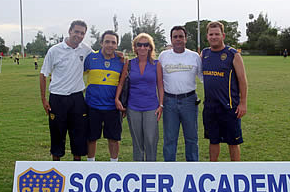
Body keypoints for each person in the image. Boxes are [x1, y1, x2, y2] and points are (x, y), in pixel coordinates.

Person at [39, 20, 92, 161]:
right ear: (70, 31)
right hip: (57, 98)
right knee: (57, 134)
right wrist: (44, 99)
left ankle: (76, 170)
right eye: (76, 32)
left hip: (77, 98)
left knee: (79, 135)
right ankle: (57, 169)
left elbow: (100, 57)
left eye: (82, 33)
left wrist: (116, 54)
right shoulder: (55, 50)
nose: (79, 36)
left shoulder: (85, 49)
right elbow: (43, 74)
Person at [201, 21, 248, 162]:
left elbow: (243, 80)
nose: (214, 37)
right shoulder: (204, 53)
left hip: (229, 107)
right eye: (211, 34)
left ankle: (236, 171)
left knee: (233, 142)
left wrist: (243, 103)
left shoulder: (232, 54)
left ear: (223, 35)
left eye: (217, 34)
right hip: (210, 107)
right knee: (213, 141)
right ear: (207, 36)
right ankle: (213, 170)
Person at [115, 33, 164, 162]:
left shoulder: (156, 64)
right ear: (135, 48)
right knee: (137, 142)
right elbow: (121, 83)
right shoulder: (129, 63)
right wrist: (117, 99)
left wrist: (161, 105)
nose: (142, 47)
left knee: (150, 140)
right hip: (133, 107)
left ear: (150, 48)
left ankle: (151, 168)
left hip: (151, 107)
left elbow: (160, 86)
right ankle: (138, 169)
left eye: (145, 45)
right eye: (139, 45)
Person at [158, 26, 202, 162]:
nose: (178, 39)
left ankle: (193, 168)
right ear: (171, 39)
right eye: (175, 37)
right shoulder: (163, 56)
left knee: (191, 138)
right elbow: (158, 80)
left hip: (189, 100)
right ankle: (170, 169)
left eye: (181, 36)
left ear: (185, 38)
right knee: (170, 139)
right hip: (169, 101)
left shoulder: (194, 56)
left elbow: (203, 77)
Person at [84, 30, 124, 162]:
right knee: (91, 138)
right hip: (92, 105)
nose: (110, 45)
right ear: (101, 43)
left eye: (113, 42)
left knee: (113, 138)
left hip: (112, 107)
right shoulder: (91, 58)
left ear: (117, 45)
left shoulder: (121, 61)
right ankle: (91, 165)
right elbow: (76, 73)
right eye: (107, 41)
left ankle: (114, 166)